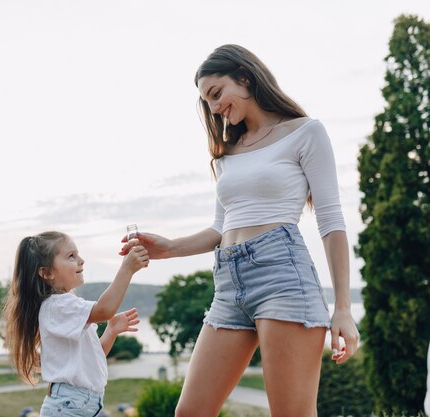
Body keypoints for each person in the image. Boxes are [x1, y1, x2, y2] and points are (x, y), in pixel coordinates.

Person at [120, 44, 360, 417]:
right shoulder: (226, 155)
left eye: (217, 94)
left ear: (245, 78)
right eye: (207, 102)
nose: (214, 108)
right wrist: (168, 247)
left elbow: (331, 220)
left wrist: (342, 308)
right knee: (190, 413)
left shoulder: (305, 133)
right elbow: (222, 226)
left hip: (282, 276)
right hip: (228, 284)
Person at [3, 231, 149, 417]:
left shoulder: (65, 307)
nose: (81, 260)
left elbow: (93, 359)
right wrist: (127, 269)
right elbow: (104, 310)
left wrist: (110, 331)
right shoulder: (57, 305)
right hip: (70, 406)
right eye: (71, 256)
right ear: (47, 272)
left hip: (80, 405)